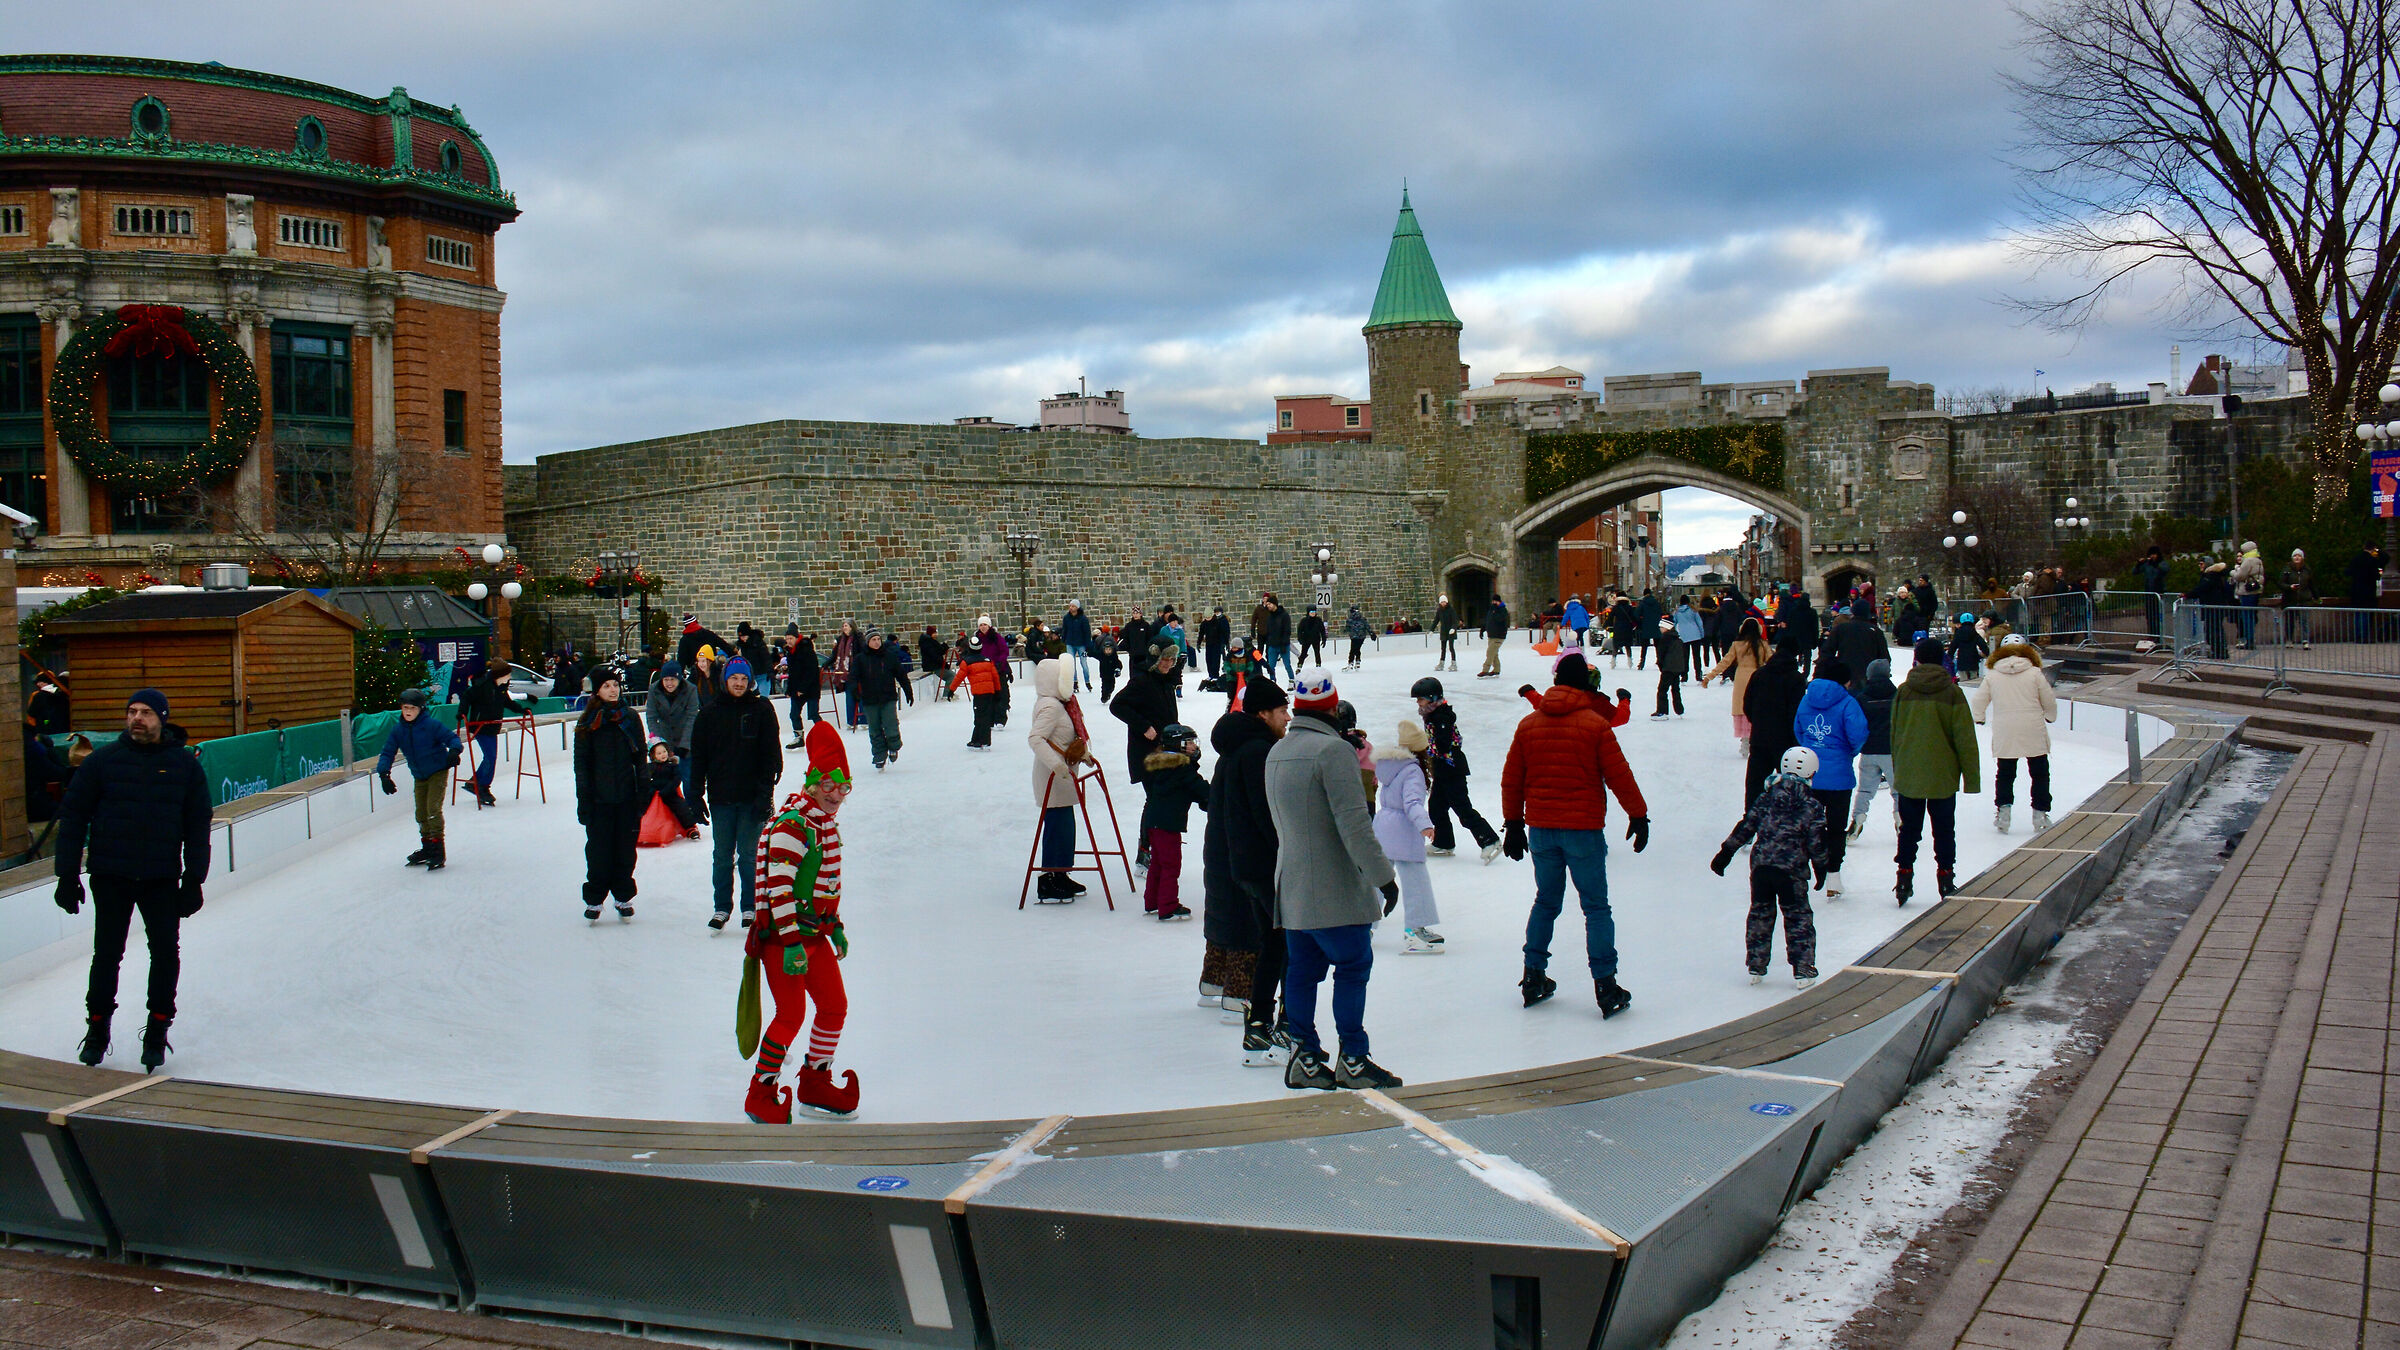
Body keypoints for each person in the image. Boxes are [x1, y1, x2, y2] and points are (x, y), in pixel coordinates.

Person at [54, 687, 211, 1072]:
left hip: (159, 876)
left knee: (165, 953)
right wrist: (67, 874)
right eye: (131, 711)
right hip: (111, 874)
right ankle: (97, 1030)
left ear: (162, 718)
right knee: (107, 954)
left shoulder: (184, 766)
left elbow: (197, 825)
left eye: (145, 712)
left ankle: (157, 1029)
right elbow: (73, 817)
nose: (136, 718)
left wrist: (194, 879)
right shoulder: (102, 762)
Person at [1265, 673, 1403, 1090]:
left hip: (1292, 888)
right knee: (1352, 966)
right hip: (1334, 889)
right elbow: (1354, 826)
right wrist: (1384, 877)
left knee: (1303, 972)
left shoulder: (1278, 752)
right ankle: (1354, 1059)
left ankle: (1304, 1056)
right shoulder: (1334, 751)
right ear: (1332, 707)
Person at [1500, 652, 1651, 1018]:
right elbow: (1619, 775)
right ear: (1585, 683)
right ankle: (1606, 986)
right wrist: (1639, 815)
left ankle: (1533, 976)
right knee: (1596, 908)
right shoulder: (1594, 724)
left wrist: (1514, 824)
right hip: (1582, 831)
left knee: (1546, 902)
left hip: (1541, 830)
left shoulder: (1528, 724)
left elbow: (1512, 778)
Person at [742, 720, 861, 1123]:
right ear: (811, 783)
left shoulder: (823, 825)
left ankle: (815, 1078)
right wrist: (791, 942)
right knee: (790, 1014)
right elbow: (779, 887)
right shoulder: (795, 824)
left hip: (813, 934)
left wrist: (836, 925)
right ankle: (761, 1090)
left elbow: (824, 885)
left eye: (843, 787)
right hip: (784, 938)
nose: (836, 796)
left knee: (834, 1007)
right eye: (827, 785)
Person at [1201, 678, 1291, 1063]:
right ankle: (1259, 1013)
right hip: (1254, 860)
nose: (1288, 718)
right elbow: (1265, 814)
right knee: (1272, 938)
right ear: (1262, 713)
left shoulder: (1239, 747)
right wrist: (1287, 851)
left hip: (1233, 856)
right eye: (1282, 710)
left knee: (1255, 931)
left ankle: (1230, 997)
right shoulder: (1257, 751)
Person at [1711, 745, 1829, 988]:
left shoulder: (1766, 796)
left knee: (1760, 914)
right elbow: (1816, 843)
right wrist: (1821, 868)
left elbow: (1747, 825)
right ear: (1811, 773)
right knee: (1798, 917)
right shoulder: (1812, 805)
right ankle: (1803, 969)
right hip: (1791, 872)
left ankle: (1756, 965)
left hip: (1762, 868)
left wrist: (1726, 851)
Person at [689, 655, 785, 930]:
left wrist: (765, 793)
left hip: (752, 795)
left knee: (748, 854)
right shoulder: (709, 714)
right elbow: (699, 758)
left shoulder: (761, 709)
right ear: (725, 680)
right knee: (722, 855)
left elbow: (771, 756)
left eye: (744, 679)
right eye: (734, 679)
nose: (739, 684)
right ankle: (722, 906)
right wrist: (695, 794)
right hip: (721, 796)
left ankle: (750, 905)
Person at [1890, 639, 1980, 904]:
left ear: (1916, 658)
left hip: (1910, 774)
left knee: (1909, 830)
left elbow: (1895, 734)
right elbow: (1965, 739)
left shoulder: (1904, 691)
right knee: (1943, 830)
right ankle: (1946, 877)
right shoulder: (1952, 693)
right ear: (1942, 659)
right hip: (1942, 774)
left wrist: (1899, 767)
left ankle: (1904, 877)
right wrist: (1971, 779)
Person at [571, 668, 646, 920]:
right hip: (598, 798)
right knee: (599, 851)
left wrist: (643, 790)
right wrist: (584, 800)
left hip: (627, 796)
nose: (613, 690)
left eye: (615, 684)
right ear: (597, 691)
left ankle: (623, 895)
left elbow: (641, 757)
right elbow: (581, 765)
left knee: (625, 850)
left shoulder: (630, 718)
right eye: (606, 686)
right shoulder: (588, 722)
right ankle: (594, 898)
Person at [1791, 655, 1866, 895]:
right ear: (1845, 682)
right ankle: (1833, 875)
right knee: (1836, 827)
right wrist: (1846, 753)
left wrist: (1811, 752)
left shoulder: (1806, 700)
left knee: (1808, 824)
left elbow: (1799, 731)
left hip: (1809, 773)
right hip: (1839, 776)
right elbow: (1858, 734)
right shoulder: (1848, 703)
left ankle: (1808, 868)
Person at [1407, 676, 1501, 862]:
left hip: (1452, 769)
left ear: (1432, 698)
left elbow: (1443, 745)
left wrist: (1429, 747)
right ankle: (1444, 842)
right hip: (1443, 770)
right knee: (1436, 807)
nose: (1418, 703)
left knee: (1462, 808)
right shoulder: (1433, 715)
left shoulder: (1441, 716)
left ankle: (1490, 839)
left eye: (1420, 699)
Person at [1970, 638, 2057, 834]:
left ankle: (2003, 811)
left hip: (2005, 728)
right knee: (2040, 772)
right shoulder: (2034, 673)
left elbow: (1979, 700)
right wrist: (2050, 716)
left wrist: (1979, 718)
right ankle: (2040, 812)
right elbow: (2048, 699)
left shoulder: (1992, 675)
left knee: (2006, 773)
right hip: (2032, 727)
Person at [1374, 720, 1444, 953]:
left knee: (1378, 879)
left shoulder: (1391, 765)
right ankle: (1415, 931)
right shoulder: (1413, 770)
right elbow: (1412, 802)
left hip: (1383, 826)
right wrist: (1425, 825)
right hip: (1403, 830)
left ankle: (1363, 926)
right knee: (1416, 881)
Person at [378, 687, 464, 870]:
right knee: (421, 813)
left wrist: (454, 751)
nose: (408, 712)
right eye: (405, 708)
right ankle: (427, 848)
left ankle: (438, 851)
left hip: (438, 771)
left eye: (412, 708)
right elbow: (387, 752)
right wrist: (384, 774)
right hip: (419, 775)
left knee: (432, 809)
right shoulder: (398, 730)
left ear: (421, 709)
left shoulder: (431, 725)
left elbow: (452, 738)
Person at [1029, 657, 1092, 901]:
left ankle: (1062, 874)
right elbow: (1036, 739)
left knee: (1066, 827)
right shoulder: (1051, 706)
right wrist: (1056, 765)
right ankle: (1048, 879)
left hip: (1064, 775)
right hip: (1053, 778)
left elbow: (1067, 736)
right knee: (1056, 827)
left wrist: (1083, 754)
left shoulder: (1061, 704)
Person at [1139, 723, 1209, 921]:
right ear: (1177, 745)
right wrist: (1215, 797)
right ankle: (1168, 905)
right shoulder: (1181, 768)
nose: (1194, 747)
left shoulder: (1165, 766)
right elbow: (1198, 788)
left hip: (1154, 822)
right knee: (1171, 865)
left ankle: (1152, 901)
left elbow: (1185, 790)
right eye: (1189, 743)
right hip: (1167, 825)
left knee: (1158, 864)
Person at [1740, 647, 1806, 807]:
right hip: (1786, 740)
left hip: (1760, 736)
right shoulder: (1795, 678)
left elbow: (1747, 703)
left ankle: (1751, 815)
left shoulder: (1759, 674)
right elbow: (1796, 711)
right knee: (1789, 782)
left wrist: (1758, 721)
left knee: (1755, 781)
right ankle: (1786, 817)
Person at [457, 664, 529, 809]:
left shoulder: (501, 688)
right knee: (490, 757)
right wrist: (462, 712)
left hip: (492, 727)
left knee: (491, 757)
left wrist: (521, 710)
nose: (509, 677)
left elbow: (507, 702)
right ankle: (482, 786)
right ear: (500, 675)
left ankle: (475, 782)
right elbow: (466, 697)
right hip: (480, 726)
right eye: (508, 674)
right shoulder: (483, 685)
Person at [1701, 616, 1771, 756]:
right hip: (1758, 679)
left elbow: (1725, 662)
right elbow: (1771, 661)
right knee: (1756, 709)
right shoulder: (1763, 644)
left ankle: (1745, 741)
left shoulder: (1737, 645)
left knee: (1743, 709)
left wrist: (1710, 676)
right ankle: (1755, 740)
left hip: (1741, 680)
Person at [848, 628, 912, 771]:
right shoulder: (861, 659)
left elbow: (901, 675)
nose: (876, 643)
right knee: (875, 729)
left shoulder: (889, 656)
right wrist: (854, 692)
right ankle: (879, 755)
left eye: (878, 639)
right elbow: (853, 677)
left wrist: (908, 691)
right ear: (868, 642)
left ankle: (894, 747)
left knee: (891, 725)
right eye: (873, 640)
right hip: (870, 700)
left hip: (888, 697)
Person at [1849, 658, 1897, 839]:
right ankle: (1900, 819)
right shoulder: (1896, 695)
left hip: (1869, 751)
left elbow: (1857, 724)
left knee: (1865, 790)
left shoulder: (1861, 698)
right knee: (1897, 790)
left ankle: (1858, 818)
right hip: (1891, 751)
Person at [644, 659, 702, 808]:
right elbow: (651, 716)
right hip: (664, 739)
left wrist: (684, 745)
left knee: (687, 778)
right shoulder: (654, 689)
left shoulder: (690, 690)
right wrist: (659, 743)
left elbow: (692, 718)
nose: (669, 683)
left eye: (673, 679)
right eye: (666, 679)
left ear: (679, 678)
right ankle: (664, 812)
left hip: (686, 740)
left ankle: (691, 810)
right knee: (664, 781)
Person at [637, 737, 703, 844]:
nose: (663, 755)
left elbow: (676, 779)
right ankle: (636, 828)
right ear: (653, 755)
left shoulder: (672, 766)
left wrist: (668, 789)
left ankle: (690, 828)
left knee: (680, 806)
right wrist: (650, 788)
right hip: (653, 793)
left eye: (664, 752)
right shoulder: (650, 767)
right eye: (659, 753)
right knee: (641, 806)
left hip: (669, 792)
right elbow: (645, 780)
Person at [948, 644, 1007, 750]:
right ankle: (977, 739)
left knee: (980, 716)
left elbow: (959, 677)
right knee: (985, 715)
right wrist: (998, 691)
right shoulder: (988, 661)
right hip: (989, 692)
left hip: (979, 693)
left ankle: (983, 741)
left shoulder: (967, 662)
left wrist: (951, 690)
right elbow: (995, 677)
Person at [1825, 601, 1886, 685]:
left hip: (1845, 677)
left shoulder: (1841, 629)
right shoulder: (1875, 631)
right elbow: (1884, 657)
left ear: (1852, 612)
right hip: (1868, 677)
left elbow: (1827, 652)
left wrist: (1834, 667)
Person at [2188, 560, 2237, 659]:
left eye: (2201, 563)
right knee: (2214, 630)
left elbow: (2201, 588)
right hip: (2215, 607)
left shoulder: (2210, 576)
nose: (2199, 565)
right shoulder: (2214, 576)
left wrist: (2187, 595)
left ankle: (2220, 652)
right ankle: (2219, 651)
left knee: (2213, 631)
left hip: (2213, 607)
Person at [1650, 617, 1689, 718]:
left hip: (1668, 668)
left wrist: (1661, 666)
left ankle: (1662, 711)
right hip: (1678, 668)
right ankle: (1679, 710)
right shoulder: (1678, 639)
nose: (1660, 629)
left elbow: (1661, 654)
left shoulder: (1665, 639)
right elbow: (1685, 656)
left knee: (1662, 690)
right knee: (1675, 689)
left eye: (1661, 627)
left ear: (1666, 628)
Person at [2346, 544, 2386, 641]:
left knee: (2358, 614)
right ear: (2373, 549)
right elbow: (2384, 561)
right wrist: (2378, 550)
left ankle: (2357, 636)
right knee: (2365, 614)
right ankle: (2363, 637)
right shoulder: (2372, 560)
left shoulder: (2356, 558)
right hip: (2368, 591)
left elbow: (2348, 572)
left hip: (2356, 590)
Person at [2231, 542, 2266, 649]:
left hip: (2246, 591)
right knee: (2251, 615)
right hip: (2256, 590)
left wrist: (2233, 571)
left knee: (2246, 617)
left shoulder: (2248, 561)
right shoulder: (2258, 560)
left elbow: (2240, 576)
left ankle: (2249, 641)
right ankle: (2251, 640)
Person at [2279, 550, 2316, 651]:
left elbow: (2311, 584)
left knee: (2304, 621)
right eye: (2295, 556)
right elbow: (2281, 583)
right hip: (2290, 599)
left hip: (2304, 599)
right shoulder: (2287, 569)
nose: (2297, 557)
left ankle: (2305, 640)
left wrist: (2316, 597)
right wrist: (2290, 587)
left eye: (2299, 556)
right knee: (2290, 621)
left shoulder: (2307, 570)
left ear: (2302, 558)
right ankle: (2289, 639)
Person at [2136, 545, 2173, 639]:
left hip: (2159, 593)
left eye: (2154, 554)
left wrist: (2156, 564)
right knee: (2149, 616)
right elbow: (2135, 572)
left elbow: (2166, 569)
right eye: (2151, 554)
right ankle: (2151, 635)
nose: (2152, 556)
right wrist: (2139, 564)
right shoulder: (2147, 565)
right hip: (2149, 593)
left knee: (2157, 617)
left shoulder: (2162, 563)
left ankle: (2158, 636)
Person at [1060, 600, 1093, 690]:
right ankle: (1074, 682)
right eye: (1070, 606)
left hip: (1081, 644)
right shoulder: (1067, 618)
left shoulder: (1083, 619)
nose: (1071, 608)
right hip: (1070, 643)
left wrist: (1088, 645)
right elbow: (1064, 629)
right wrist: (1064, 640)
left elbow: (1087, 632)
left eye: (1073, 606)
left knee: (1084, 663)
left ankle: (1087, 681)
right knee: (1071, 664)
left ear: (1077, 608)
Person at [1261, 596, 1295, 682]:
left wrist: (1284, 644)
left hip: (1283, 645)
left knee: (1287, 665)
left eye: (1269, 604)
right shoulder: (1269, 616)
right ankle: (1272, 681)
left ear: (1274, 604)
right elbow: (1268, 631)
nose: (1267, 606)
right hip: (1272, 645)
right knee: (1271, 666)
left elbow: (1287, 631)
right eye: (1267, 604)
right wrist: (1268, 643)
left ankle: (1292, 681)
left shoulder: (1284, 615)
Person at [1478, 594, 1512, 677]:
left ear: (1499, 601)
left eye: (1495, 601)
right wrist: (1483, 629)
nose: (1494, 603)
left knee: (1490, 653)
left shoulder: (1502, 610)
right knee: (1494, 653)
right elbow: (1488, 620)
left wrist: (1495, 610)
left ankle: (1485, 670)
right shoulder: (1492, 609)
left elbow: (1499, 619)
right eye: (1493, 601)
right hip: (1492, 634)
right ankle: (1496, 669)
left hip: (1499, 635)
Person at [1950, 612, 1989, 680]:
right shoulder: (1974, 633)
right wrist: (1987, 653)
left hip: (1962, 660)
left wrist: (1949, 657)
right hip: (1973, 660)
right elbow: (1982, 645)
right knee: (1974, 681)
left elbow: (1953, 646)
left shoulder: (1958, 633)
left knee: (1963, 682)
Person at [1200, 606, 1232, 681]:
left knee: (1219, 657)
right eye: (1216, 612)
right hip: (1214, 642)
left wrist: (1226, 642)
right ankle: (1212, 674)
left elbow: (1226, 632)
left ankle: (1223, 668)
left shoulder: (1223, 620)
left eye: (1218, 612)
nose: (1217, 614)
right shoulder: (1212, 621)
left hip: (1221, 641)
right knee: (1212, 658)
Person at [1296, 604, 1328, 669]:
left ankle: (1318, 666)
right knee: (1303, 654)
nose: (1313, 613)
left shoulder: (1318, 620)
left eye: (1314, 612)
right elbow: (1299, 630)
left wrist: (1324, 639)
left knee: (1317, 653)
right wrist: (1300, 639)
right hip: (1306, 640)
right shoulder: (1304, 621)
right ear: (1308, 612)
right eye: (1311, 612)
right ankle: (1299, 666)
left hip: (1316, 639)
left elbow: (1322, 630)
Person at [1434, 593, 1460, 671]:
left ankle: (1454, 664)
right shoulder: (1439, 611)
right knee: (1443, 648)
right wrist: (1431, 629)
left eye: (1444, 602)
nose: (1443, 603)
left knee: (1451, 648)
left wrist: (1453, 628)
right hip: (1444, 632)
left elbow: (1455, 621)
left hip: (1451, 632)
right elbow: (1436, 620)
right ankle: (1441, 663)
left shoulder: (1451, 609)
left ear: (1447, 602)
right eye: (1442, 602)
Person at [1096, 633, 1123, 702]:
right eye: (1106, 649)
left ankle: (1109, 693)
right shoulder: (1101, 656)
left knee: (1111, 687)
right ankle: (1104, 697)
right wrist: (1087, 653)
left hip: (1111, 675)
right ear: (1103, 650)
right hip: (1104, 675)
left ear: (1112, 650)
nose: (1108, 651)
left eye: (1109, 649)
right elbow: (1094, 654)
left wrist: (1118, 669)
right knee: (1104, 687)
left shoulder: (1114, 657)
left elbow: (1119, 664)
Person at [1343, 604, 1372, 670]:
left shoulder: (1350, 619)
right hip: (1361, 636)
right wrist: (1371, 633)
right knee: (1357, 648)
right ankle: (1358, 661)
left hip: (1354, 636)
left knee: (1353, 649)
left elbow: (1347, 628)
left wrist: (1345, 630)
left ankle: (1351, 662)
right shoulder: (1362, 619)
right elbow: (1367, 626)